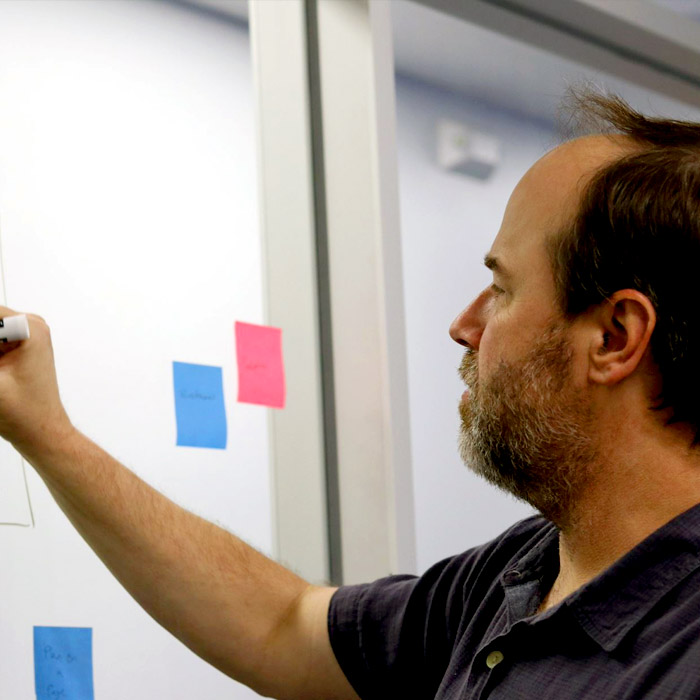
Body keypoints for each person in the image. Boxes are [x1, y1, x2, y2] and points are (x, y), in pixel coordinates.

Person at [4, 89, 700, 699]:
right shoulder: (523, 574)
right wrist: (47, 432)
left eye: (503, 289)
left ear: (614, 337)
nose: (463, 326)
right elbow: (280, 627)